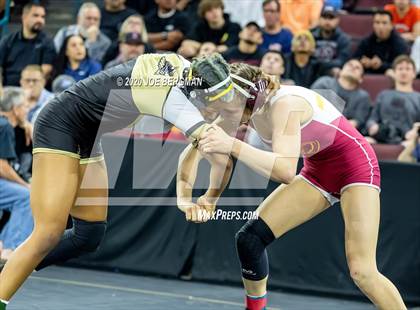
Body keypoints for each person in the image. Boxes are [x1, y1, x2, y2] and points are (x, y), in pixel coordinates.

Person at [0, 53, 276, 309]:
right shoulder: (174, 101)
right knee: (48, 232)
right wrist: (209, 199)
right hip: (61, 124)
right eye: (220, 108)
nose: (223, 116)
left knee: (89, 234)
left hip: (88, 134)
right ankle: (11, 274)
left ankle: (14, 265)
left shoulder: (183, 68)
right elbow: (223, 159)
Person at [177, 62, 407, 310]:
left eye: (224, 105)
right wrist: (196, 199)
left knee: (363, 271)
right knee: (250, 239)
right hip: (319, 171)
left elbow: (285, 171)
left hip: (356, 167)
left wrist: (233, 145)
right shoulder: (241, 107)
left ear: (244, 97)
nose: (221, 113)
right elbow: (193, 151)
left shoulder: (284, 104)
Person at [0, 87, 34, 262]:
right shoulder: (5, 126)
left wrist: (27, 125)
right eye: (25, 106)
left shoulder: (8, 125)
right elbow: (2, 167)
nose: (28, 110)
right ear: (16, 109)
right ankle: (12, 248)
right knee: (27, 196)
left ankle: (3, 245)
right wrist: (25, 184)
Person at [366, 55, 420, 144]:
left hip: (408, 140)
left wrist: (415, 133)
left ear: (414, 73)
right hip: (381, 138)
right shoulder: (383, 94)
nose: (403, 72)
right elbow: (372, 118)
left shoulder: (418, 98)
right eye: (400, 68)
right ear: (394, 73)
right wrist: (372, 126)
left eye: (407, 69)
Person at [0, 2, 55, 86]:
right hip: (7, 90)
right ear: (24, 17)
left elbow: (45, 71)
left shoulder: (47, 42)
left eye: (42, 17)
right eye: (35, 15)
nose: (40, 20)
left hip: (32, 88)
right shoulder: (8, 41)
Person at [311, 59, 371, 133]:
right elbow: (311, 106)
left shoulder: (363, 97)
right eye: (350, 65)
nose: (353, 68)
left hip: (344, 135)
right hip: (317, 128)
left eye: (357, 68)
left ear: (360, 79)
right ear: (340, 71)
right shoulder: (324, 83)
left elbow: (358, 121)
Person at [353, 10, 408, 74]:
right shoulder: (367, 40)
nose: (380, 27)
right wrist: (362, 61)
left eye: (384, 23)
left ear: (391, 25)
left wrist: (381, 65)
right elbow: (354, 58)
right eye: (377, 22)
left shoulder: (399, 43)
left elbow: (402, 65)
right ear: (373, 25)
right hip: (367, 74)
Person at [311, 5, 351, 76]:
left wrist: (321, 64)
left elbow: (342, 61)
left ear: (338, 20)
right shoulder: (311, 36)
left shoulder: (344, 39)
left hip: (332, 74)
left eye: (331, 18)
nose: (327, 21)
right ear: (319, 19)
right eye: (324, 17)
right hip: (311, 73)